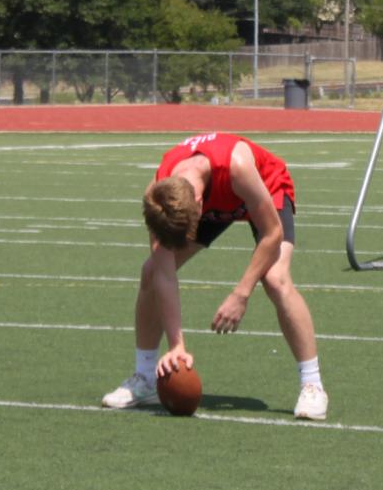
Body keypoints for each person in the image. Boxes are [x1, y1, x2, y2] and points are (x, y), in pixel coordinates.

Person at [101, 133, 327, 420]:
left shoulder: (238, 164)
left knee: (275, 279)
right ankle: (145, 378)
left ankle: (313, 384)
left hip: (264, 188)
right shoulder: (158, 194)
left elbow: (273, 234)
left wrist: (241, 293)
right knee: (150, 270)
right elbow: (164, 273)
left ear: (198, 204)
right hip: (213, 196)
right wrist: (176, 345)